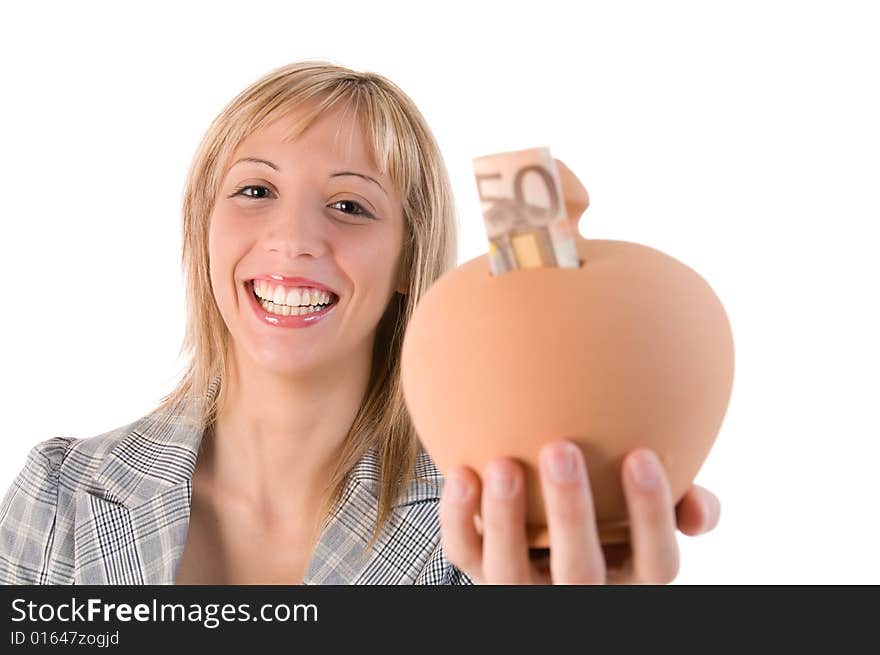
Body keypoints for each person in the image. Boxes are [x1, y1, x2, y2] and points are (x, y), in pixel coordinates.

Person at [0, 61, 720, 585]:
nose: (294, 238)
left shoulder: (494, 531)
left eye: (350, 206)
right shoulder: (62, 494)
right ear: (203, 228)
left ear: (412, 257)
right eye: (255, 190)